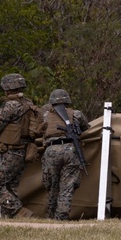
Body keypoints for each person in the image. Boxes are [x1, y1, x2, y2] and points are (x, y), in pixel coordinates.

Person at [0, 73, 40, 218]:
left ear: (7, 89)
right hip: (23, 151)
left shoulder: (11, 105)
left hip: (8, 152)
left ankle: (19, 212)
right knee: (9, 187)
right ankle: (6, 219)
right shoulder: (28, 103)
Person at [33, 89, 89, 220]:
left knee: (52, 185)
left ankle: (50, 216)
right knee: (67, 186)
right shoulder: (76, 114)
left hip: (51, 150)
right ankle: (61, 217)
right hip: (71, 149)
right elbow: (86, 127)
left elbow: (36, 131)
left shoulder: (44, 116)